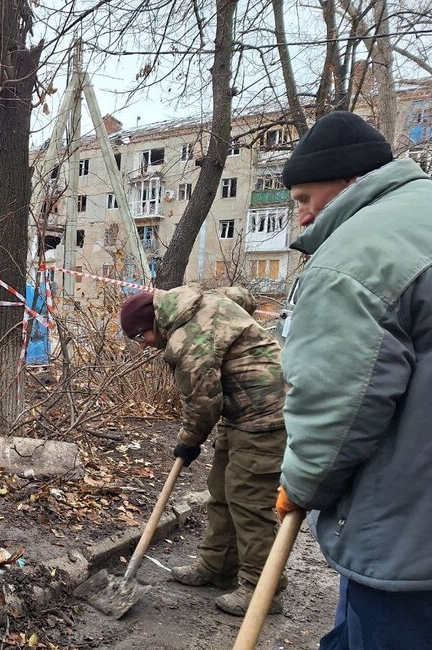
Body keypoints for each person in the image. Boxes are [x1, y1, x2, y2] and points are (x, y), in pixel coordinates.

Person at [275, 110, 432, 648]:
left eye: (304, 198)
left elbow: (337, 398)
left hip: (409, 537)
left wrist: (301, 484)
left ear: (349, 181)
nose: (301, 216)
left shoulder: (356, 256)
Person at [119, 285, 288, 615]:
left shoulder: (189, 339)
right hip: (239, 408)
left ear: (152, 323)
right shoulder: (199, 302)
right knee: (222, 489)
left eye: (141, 337)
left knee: (249, 498)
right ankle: (218, 566)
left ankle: (262, 590)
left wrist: (188, 442)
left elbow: (202, 403)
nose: (143, 346)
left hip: (267, 412)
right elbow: (243, 297)